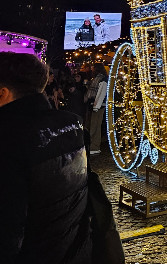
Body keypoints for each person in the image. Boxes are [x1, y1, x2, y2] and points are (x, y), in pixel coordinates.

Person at [0, 52, 92, 263]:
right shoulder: (74, 123)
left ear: (3, 92)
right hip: (76, 249)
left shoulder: (8, 136)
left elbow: (8, 226)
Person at [87, 62, 108, 155]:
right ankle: (93, 145)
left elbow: (101, 93)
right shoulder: (98, 78)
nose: (91, 69)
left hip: (98, 106)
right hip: (95, 104)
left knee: (95, 126)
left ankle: (94, 146)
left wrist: (96, 106)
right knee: (93, 125)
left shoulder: (102, 79)